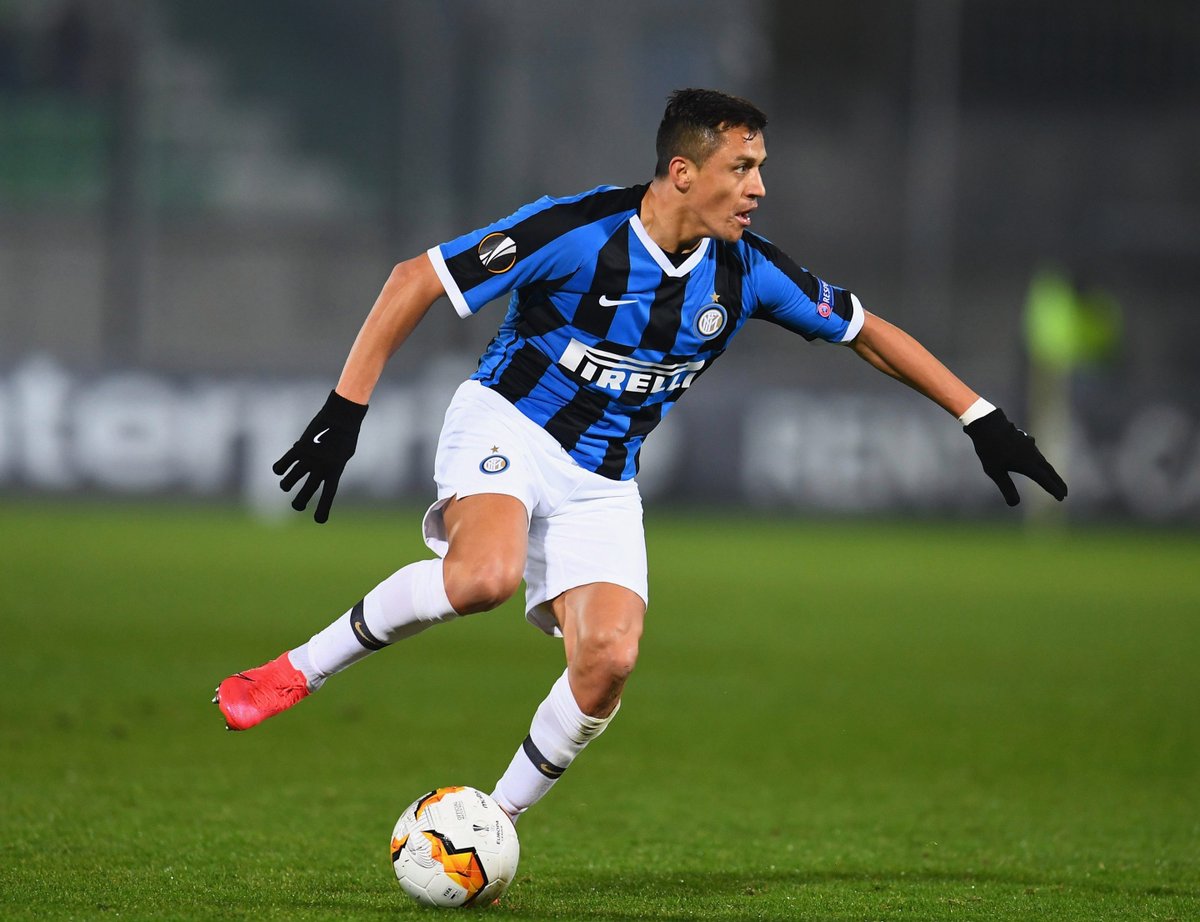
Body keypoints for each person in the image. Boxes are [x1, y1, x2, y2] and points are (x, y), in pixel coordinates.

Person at [214, 88, 1067, 823]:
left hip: (603, 479)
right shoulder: (576, 231)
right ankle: (297, 670)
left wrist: (979, 417)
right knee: (482, 578)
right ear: (683, 172)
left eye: (761, 168)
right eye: (742, 168)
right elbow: (416, 278)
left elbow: (866, 331)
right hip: (508, 425)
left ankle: (489, 825)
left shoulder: (747, 273)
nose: (759, 188)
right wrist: (345, 409)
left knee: (609, 661)